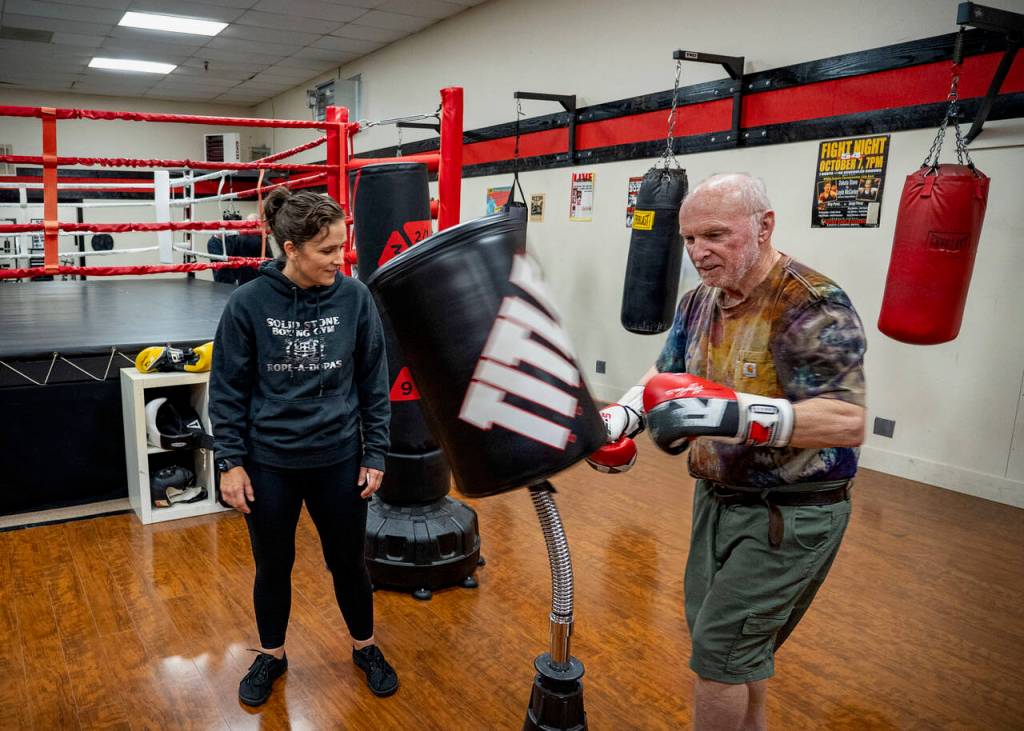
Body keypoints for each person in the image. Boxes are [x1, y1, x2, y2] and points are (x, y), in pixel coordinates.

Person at [591, 173, 866, 730]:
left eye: (715, 235)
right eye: (689, 239)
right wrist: (622, 414)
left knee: (718, 657)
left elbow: (847, 419)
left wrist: (734, 414)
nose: (698, 252)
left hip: (790, 513)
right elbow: (666, 372)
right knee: (735, 649)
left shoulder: (810, 304)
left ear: (764, 226)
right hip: (716, 500)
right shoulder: (699, 301)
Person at [209, 187, 398, 706]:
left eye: (343, 246)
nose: (342, 259)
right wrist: (230, 462)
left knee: (349, 564)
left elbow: (372, 381)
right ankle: (271, 653)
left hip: (338, 459)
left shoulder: (354, 298)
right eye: (328, 250)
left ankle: (366, 647)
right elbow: (226, 389)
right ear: (290, 247)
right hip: (270, 464)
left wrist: (375, 452)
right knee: (273, 567)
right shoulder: (248, 303)